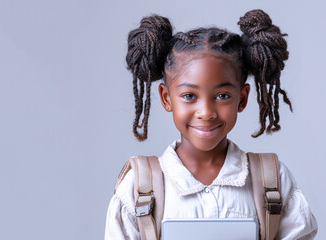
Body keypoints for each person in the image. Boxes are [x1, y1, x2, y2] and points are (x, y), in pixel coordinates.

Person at [104, 9, 318, 240]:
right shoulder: (138, 187)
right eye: (189, 96)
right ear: (166, 98)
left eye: (222, 96)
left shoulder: (272, 180)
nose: (206, 113)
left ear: (242, 99)